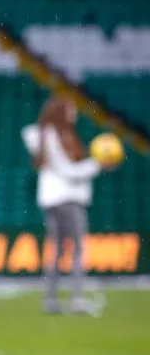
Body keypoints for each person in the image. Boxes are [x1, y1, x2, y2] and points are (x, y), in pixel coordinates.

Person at [21, 96, 112, 315]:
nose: (75, 114)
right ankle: (75, 299)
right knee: (78, 249)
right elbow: (67, 172)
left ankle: (51, 300)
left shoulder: (50, 137)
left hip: (51, 200)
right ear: (60, 111)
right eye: (71, 109)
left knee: (58, 250)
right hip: (68, 199)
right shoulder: (52, 137)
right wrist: (96, 165)